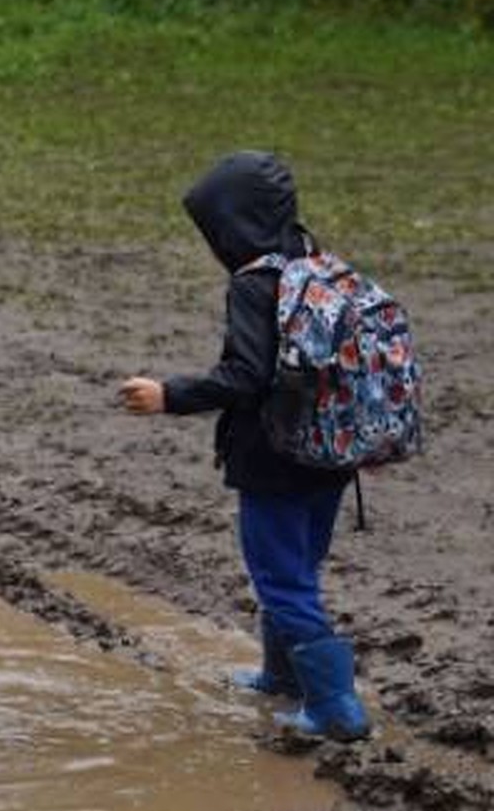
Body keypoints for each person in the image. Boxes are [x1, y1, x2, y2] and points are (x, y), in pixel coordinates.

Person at [119, 150, 370, 742]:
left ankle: (336, 709)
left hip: (274, 460)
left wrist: (168, 395)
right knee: (296, 566)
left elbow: (244, 376)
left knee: (280, 578)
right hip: (330, 454)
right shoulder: (318, 268)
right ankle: (281, 676)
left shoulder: (256, 285)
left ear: (233, 227)